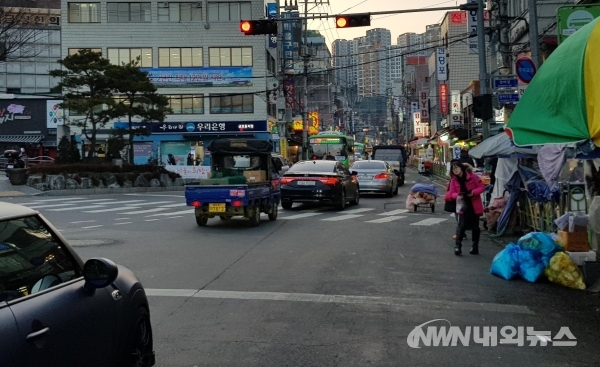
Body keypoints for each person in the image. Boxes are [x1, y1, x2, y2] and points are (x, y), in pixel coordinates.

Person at [445, 160, 485, 256]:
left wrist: (473, 193)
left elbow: (482, 187)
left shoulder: (473, 177)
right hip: (462, 204)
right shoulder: (453, 180)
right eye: (453, 169)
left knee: (475, 226)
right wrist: (458, 195)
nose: (455, 170)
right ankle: (458, 246)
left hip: (474, 204)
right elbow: (451, 193)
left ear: (461, 168)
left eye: (457, 168)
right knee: (461, 225)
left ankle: (475, 247)